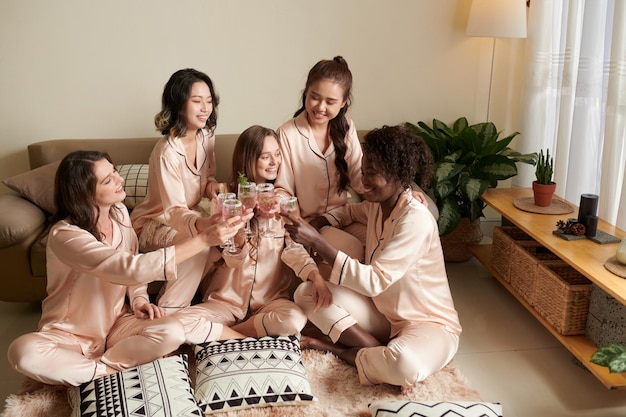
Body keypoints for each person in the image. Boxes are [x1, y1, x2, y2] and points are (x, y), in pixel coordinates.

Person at [7, 151, 245, 386]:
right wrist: (203, 240)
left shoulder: (119, 213)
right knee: (22, 352)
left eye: (115, 172)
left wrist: (140, 300)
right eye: (108, 180)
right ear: (84, 193)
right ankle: (108, 370)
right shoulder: (65, 235)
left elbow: (132, 258)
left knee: (172, 331)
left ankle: (91, 371)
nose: (119, 180)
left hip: (117, 325)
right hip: (67, 335)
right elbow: (129, 268)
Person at [284, 125, 461, 393]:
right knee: (307, 293)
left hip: (429, 324)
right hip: (384, 317)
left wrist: (316, 241)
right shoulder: (378, 206)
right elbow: (348, 212)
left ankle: (337, 349)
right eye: (363, 172)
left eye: (372, 174)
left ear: (398, 174)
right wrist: (320, 221)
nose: (363, 182)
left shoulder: (415, 220)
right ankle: (378, 354)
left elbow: (375, 281)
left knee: (404, 364)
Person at [274, 56, 436, 261]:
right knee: (352, 247)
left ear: (343, 103)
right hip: (310, 221)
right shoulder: (288, 133)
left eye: (330, 101)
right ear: (305, 93)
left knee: (391, 236)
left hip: (344, 215)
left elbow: (362, 179)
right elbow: (282, 190)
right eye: (314, 97)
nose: (320, 107)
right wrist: (299, 224)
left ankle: (383, 290)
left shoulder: (347, 128)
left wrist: (406, 190)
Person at [130, 69, 232, 335]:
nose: (205, 108)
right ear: (178, 103)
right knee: (198, 246)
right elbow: (174, 211)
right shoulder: (166, 152)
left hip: (193, 215)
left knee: (230, 240)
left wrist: (216, 189)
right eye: (196, 101)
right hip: (155, 223)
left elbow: (206, 179)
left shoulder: (207, 136)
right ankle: (167, 318)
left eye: (209, 100)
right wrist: (204, 225)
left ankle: (211, 309)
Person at [199, 125, 317, 337]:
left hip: (270, 303)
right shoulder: (226, 200)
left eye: (278, 154)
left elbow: (294, 249)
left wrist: (315, 276)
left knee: (294, 320)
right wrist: (241, 221)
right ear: (249, 159)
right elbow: (232, 259)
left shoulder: (283, 202)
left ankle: (230, 334)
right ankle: (246, 333)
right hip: (225, 302)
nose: (275, 162)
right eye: (266, 157)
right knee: (184, 323)